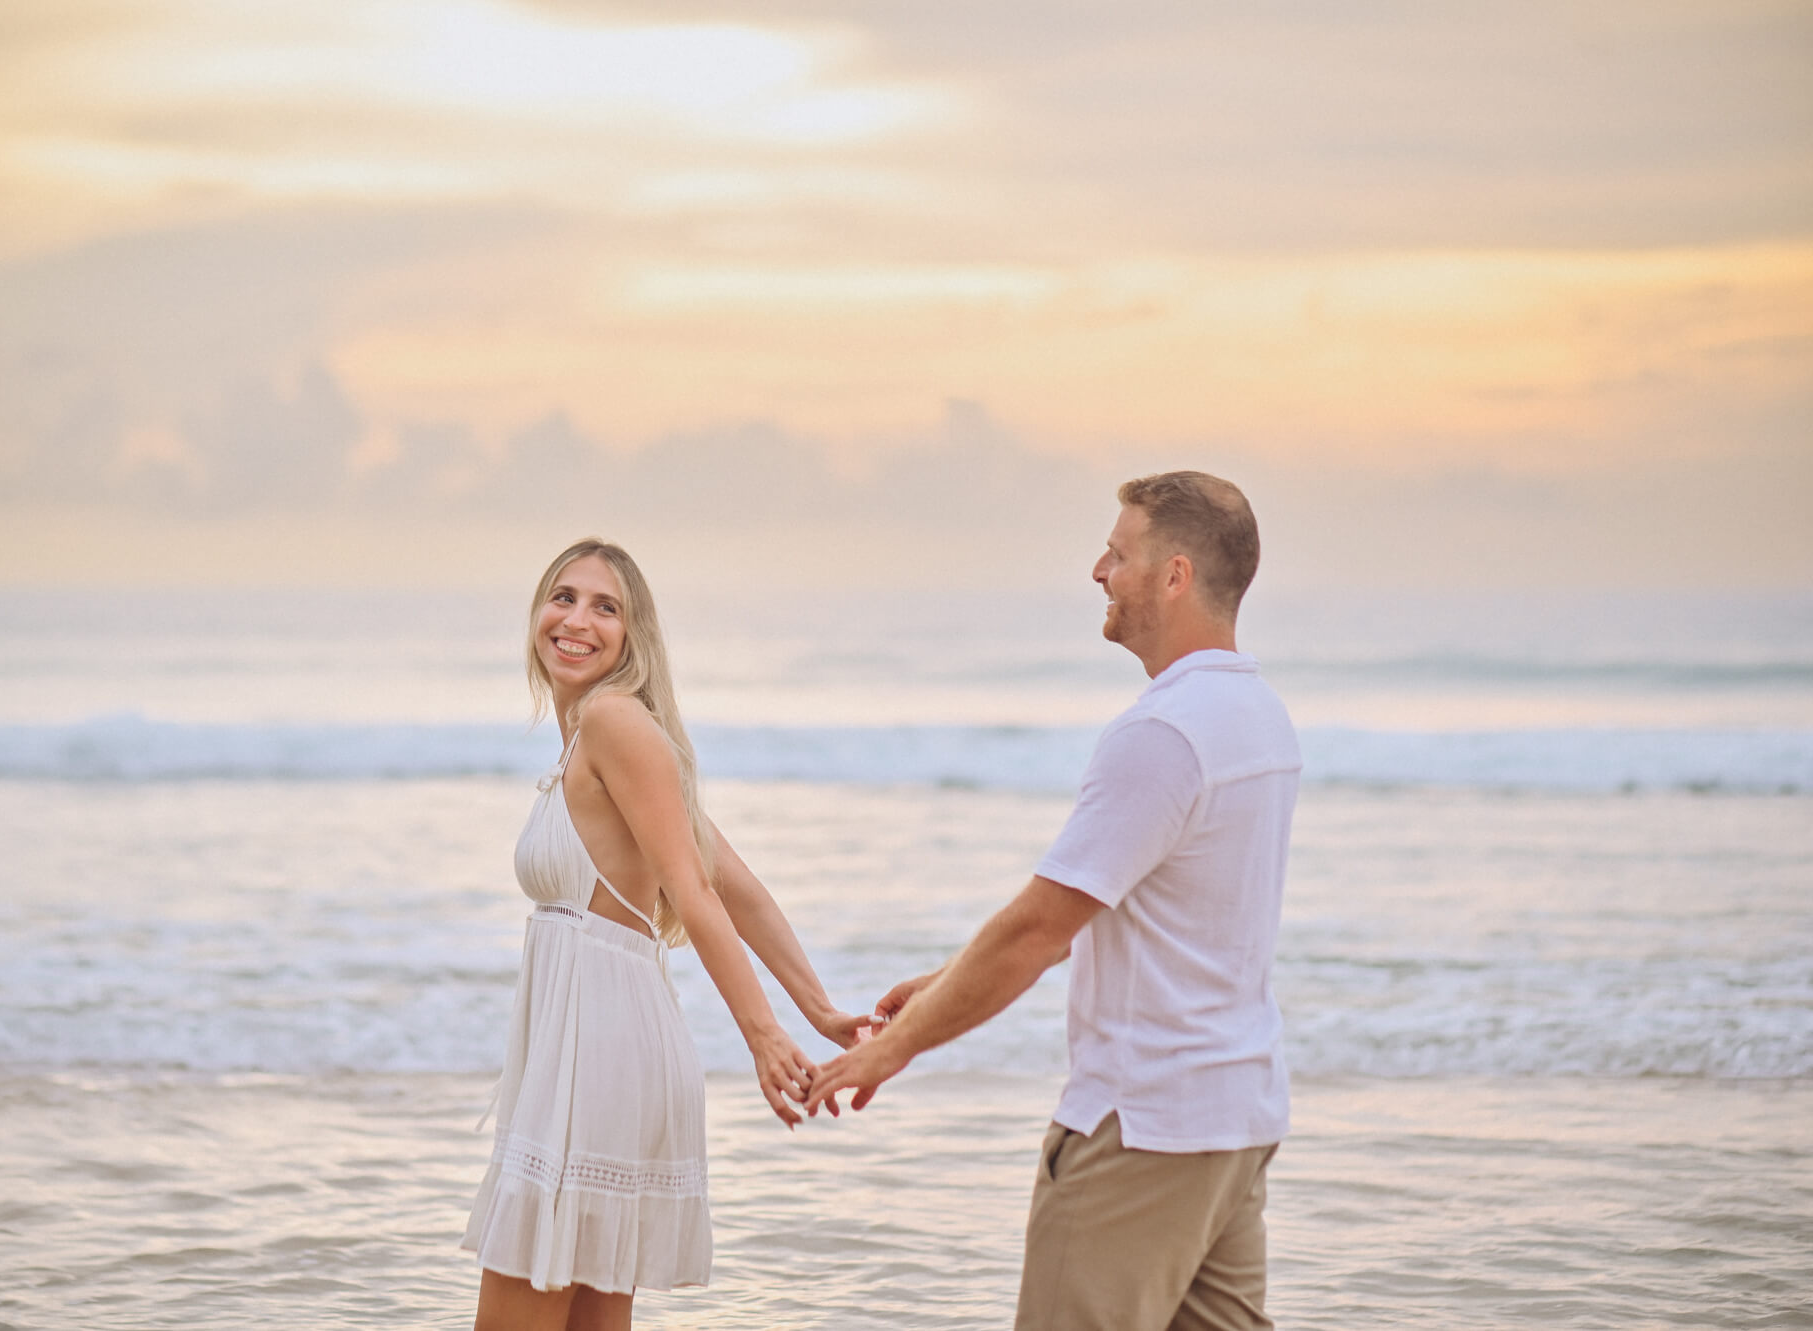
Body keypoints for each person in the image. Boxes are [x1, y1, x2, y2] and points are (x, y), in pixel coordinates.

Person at [809, 472, 1302, 1331]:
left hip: (1141, 1128)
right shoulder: (1258, 716)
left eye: (1119, 553)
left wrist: (895, 1051)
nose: (1098, 570)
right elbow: (1127, 908)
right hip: (1231, 1121)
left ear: (1175, 575)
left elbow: (1039, 931)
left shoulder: (1161, 733)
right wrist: (947, 978)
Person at [464, 537, 868, 1331]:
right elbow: (733, 879)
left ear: (633, 636)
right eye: (563, 597)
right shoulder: (598, 735)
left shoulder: (615, 722)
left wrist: (764, 1032)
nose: (576, 619)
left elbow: (695, 890)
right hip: (596, 1050)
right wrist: (817, 1007)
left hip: (599, 1053)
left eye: (604, 606)